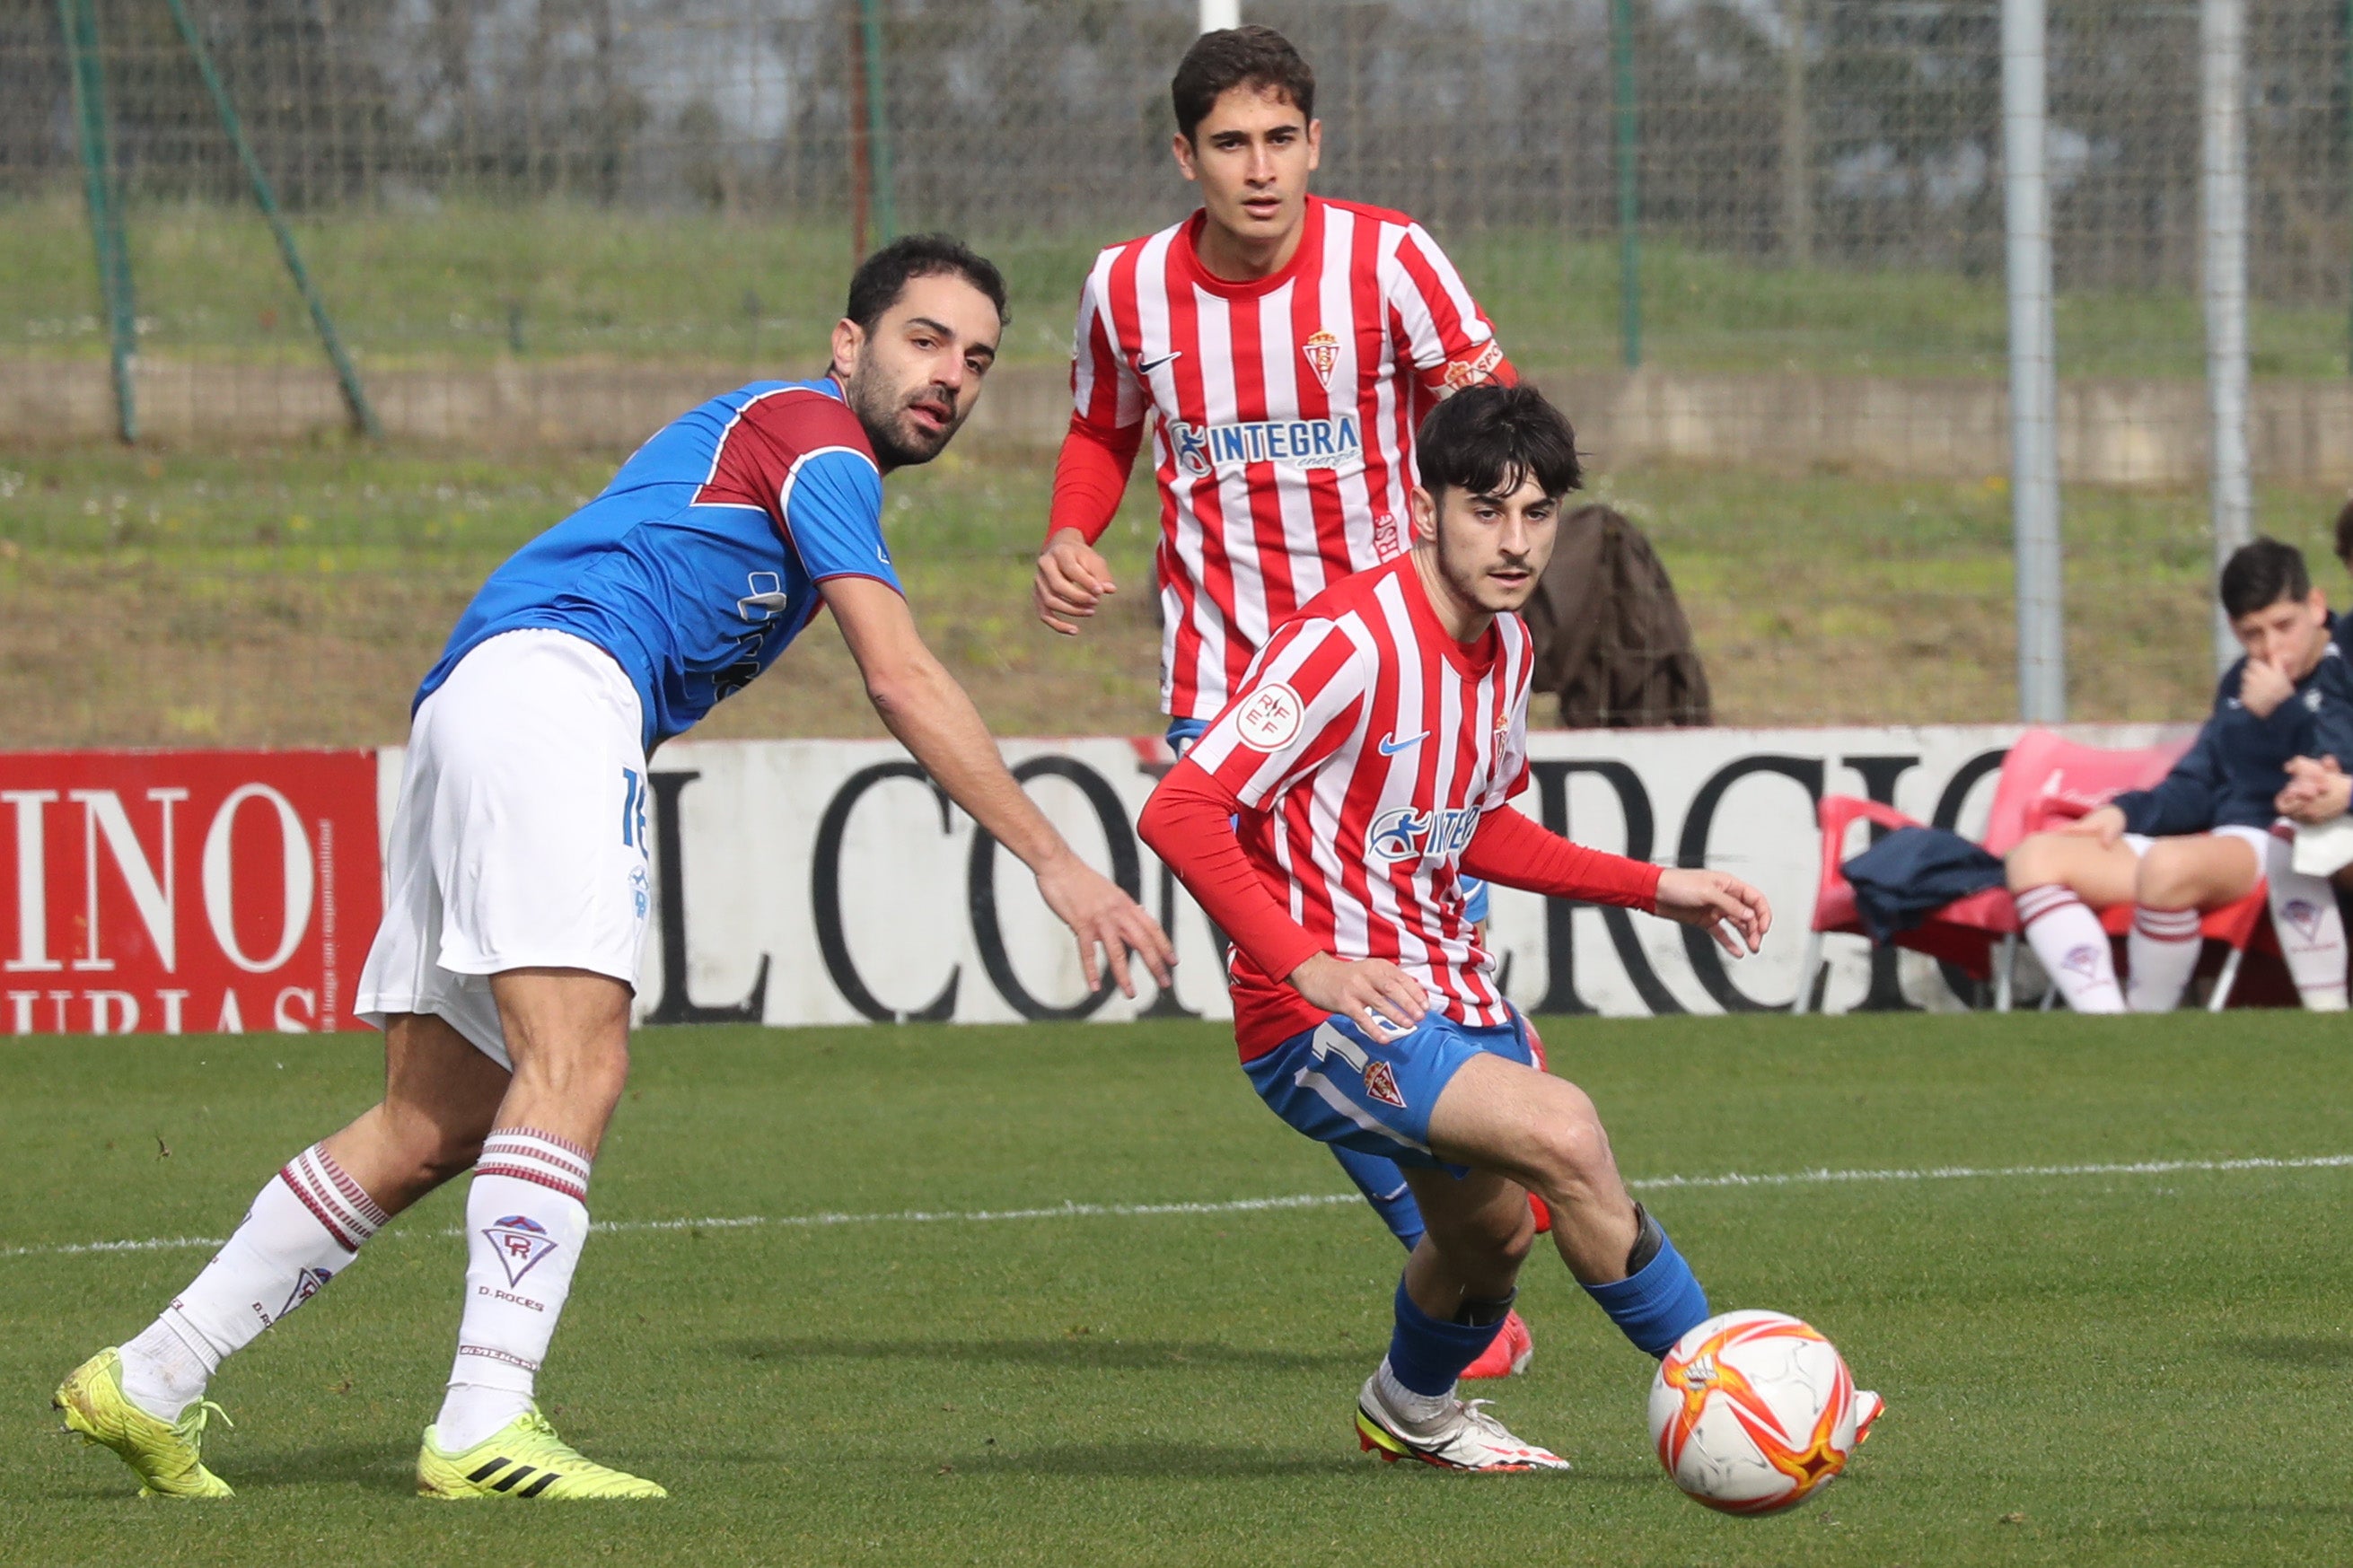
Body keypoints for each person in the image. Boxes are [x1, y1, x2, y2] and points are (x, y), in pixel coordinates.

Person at [54, 235, 1175, 1501]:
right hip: (553, 692)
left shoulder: (784, 445)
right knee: (578, 1057)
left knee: (435, 1120)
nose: (951, 379)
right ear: (850, 342)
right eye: (923, 340)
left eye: (976, 361)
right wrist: (1056, 861)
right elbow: (901, 672)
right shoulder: (819, 436)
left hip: (482, 695)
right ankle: (482, 1417)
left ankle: (147, 1374)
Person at [1137, 385, 1877, 1467]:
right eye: (1485, 509)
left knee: (1487, 1239)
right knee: (1564, 1133)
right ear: (1424, 507)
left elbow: (1471, 826)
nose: (1514, 539)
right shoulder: (1344, 642)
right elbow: (1180, 807)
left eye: (1537, 514)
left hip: (1441, 982)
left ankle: (1409, 1408)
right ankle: (1747, 1393)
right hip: (1318, 1011)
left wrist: (1653, 883)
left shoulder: (1509, 651)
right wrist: (1312, 964)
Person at [1031, 22, 1536, 1374]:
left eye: (1279, 140)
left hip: (1394, 685)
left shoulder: (1391, 261)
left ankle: (1471, 1237)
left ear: (1315, 142)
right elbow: (1101, 426)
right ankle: (1452, 1264)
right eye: (1228, 145)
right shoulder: (1127, 287)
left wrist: (1491, 567)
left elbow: (1494, 419)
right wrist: (1075, 529)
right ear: (1184, 156)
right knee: (1305, 996)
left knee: (1427, 983)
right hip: (1234, 691)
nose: (1258, 170)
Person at [2006, 538, 2352, 1012]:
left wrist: (2284, 712)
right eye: (2253, 634)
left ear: (2316, 606)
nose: (2272, 648)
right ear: (2234, 629)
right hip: (2216, 842)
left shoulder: (2344, 661)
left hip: (2287, 843)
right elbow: (2198, 781)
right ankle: (2109, 1025)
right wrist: (2123, 813)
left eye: (2283, 626)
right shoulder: (2240, 681)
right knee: (2034, 858)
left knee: (2168, 867)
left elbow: (2332, 774)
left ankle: (2150, 1022)